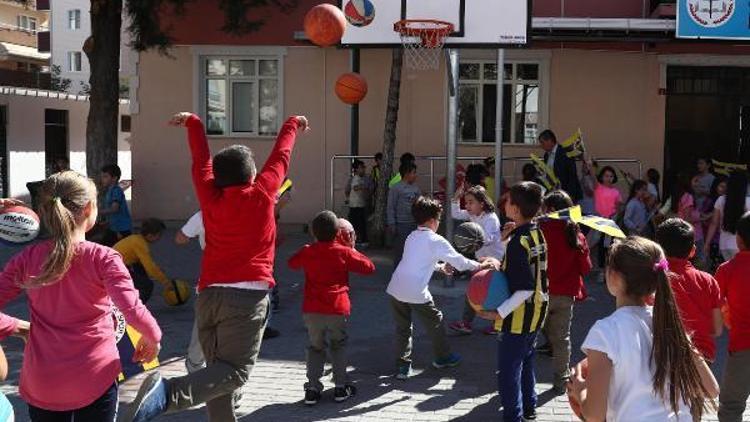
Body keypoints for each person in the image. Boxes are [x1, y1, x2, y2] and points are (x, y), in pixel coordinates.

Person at [124, 112, 308, 422]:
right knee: (235, 373)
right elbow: (281, 156)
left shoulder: (210, 197)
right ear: (251, 175)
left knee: (217, 377)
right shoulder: (263, 193)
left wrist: (195, 124)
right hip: (246, 299)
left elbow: (200, 161)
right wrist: (292, 124)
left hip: (208, 296)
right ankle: (166, 396)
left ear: (218, 179)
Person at [0, 171, 161, 421]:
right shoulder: (104, 259)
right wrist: (152, 337)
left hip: (43, 380)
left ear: (44, 212)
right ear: (88, 209)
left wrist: (11, 326)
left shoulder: (26, 259)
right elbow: (131, 308)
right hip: (95, 376)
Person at [568, 237, 719, 421]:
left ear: (613, 276)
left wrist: (581, 391)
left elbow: (595, 416)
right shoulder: (670, 323)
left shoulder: (605, 332)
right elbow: (711, 389)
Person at [386, 196, 499, 380]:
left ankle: (402, 367)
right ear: (432, 220)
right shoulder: (436, 239)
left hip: (396, 288)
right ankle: (443, 357)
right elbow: (460, 262)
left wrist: (439, 267)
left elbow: (417, 261)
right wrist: (480, 266)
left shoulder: (412, 236)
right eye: (438, 219)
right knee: (436, 321)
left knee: (403, 328)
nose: (438, 222)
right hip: (416, 291)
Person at [288, 210, 375, 405]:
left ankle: (312, 388)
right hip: (337, 308)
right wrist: (351, 248)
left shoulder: (308, 251)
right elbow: (369, 268)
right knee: (339, 346)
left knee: (315, 347)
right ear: (338, 232)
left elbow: (292, 264)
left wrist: (307, 248)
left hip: (312, 309)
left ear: (314, 233)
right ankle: (340, 387)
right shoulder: (343, 252)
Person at [482, 182, 548, 422]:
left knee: (509, 371)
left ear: (517, 209)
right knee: (527, 360)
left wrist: (499, 313)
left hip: (519, 315)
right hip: (537, 310)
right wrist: (501, 253)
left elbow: (524, 288)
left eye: (508, 200)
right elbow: (528, 273)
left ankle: (514, 416)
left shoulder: (519, 242)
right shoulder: (534, 232)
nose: (504, 203)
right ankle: (530, 407)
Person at [537, 190, 592, 395]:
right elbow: (586, 268)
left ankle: (522, 380)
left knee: (529, 336)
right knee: (562, 340)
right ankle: (560, 383)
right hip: (566, 295)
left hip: (541, 292)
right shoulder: (576, 235)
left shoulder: (540, 230)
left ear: (550, 209)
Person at [655, 218, 722, 362]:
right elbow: (717, 329)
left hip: (664, 356)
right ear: (692, 251)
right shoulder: (708, 281)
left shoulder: (652, 278)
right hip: (701, 358)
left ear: (657, 248)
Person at [447, 185, 505, 336]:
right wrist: (455, 198)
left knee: (494, 292)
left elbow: (489, 239)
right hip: (482, 261)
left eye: (471, 202)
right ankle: (466, 323)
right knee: (474, 290)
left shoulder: (490, 218)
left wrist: (473, 237)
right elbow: (455, 213)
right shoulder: (473, 215)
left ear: (482, 203)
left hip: (495, 261)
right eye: (466, 202)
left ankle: (497, 325)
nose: (467, 206)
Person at [715, 211, 750, 421]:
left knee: (731, 406)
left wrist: (729, 321)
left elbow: (718, 305)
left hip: (742, 345)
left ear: (738, 239)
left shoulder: (727, 270)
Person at [113, 218, 171, 303]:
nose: (160, 238)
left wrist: (158, 271)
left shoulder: (136, 238)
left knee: (140, 271)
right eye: (159, 235)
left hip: (114, 265)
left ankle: (130, 298)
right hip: (113, 268)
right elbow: (150, 268)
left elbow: (145, 264)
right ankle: (134, 309)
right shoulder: (140, 244)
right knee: (147, 285)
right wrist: (166, 282)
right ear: (150, 235)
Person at [704, 171, 750, 261]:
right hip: (742, 246)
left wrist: (707, 243)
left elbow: (714, 223)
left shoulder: (721, 199)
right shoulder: (748, 201)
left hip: (724, 245)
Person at [387, 161, 420, 268]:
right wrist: (392, 223)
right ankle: (397, 276)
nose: (415, 175)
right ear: (406, 174)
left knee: (413, 252)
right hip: (401, 224)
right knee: (400, 253)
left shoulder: (416, 188)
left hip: (414, 223)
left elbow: (420, 204)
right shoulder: (396, 188)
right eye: (413, 172)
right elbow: (391, 206)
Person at [538, 130, 582, 202]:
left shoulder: (565, 152)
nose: (541, 146)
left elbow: (572, 174)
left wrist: (570, 196)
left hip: (568, 193)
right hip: (554, 193)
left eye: (542, 142)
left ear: (550, 141)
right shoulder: (546, 155)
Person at [592, 164, 623, 267]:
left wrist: (615, 218)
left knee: (609, 247)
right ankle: (601, 269)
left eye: (611, 176)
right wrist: (589, 166)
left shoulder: (616, 192)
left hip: (611, 222)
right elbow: (592, 176)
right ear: (601, 177)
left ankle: (608, 269)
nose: (609, 178)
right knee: (598, 245)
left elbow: (618, 208)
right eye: (606, 176)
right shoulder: (598, 188)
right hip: (599, 221)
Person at [99, 164, 132, 247]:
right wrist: (107, 222)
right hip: (115, 228)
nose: (102, 179)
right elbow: (114, 213)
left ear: (114, 178)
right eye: (102, 176)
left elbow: (114, 209)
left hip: (122, 228)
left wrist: (97, 211)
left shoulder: (116, 190)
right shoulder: (110, 191)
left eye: (105, 176)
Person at [345, 159, 370, 246]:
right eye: (361, 167)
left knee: (360, 223)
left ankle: (360, 240)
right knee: (357, 223)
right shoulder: (356, 178)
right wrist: (364, 188)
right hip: (356, 205)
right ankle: (359, 240)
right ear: (356, 169)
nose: (363, 169)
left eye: (364, 167)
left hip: (359, 204)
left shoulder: (361, 178)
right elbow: (355, 188)